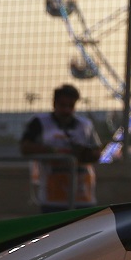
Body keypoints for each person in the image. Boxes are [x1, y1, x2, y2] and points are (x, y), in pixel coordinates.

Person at [19, 84, 101, 212]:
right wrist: (53, 152)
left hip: (83, 195)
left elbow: (97, 152)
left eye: (71, 106)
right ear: (54, 103)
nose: (67, 110)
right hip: (53, 197)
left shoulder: (85, 125)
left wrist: (86, 154)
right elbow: (25, 147)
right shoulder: (40, 123)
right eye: (63, 105)